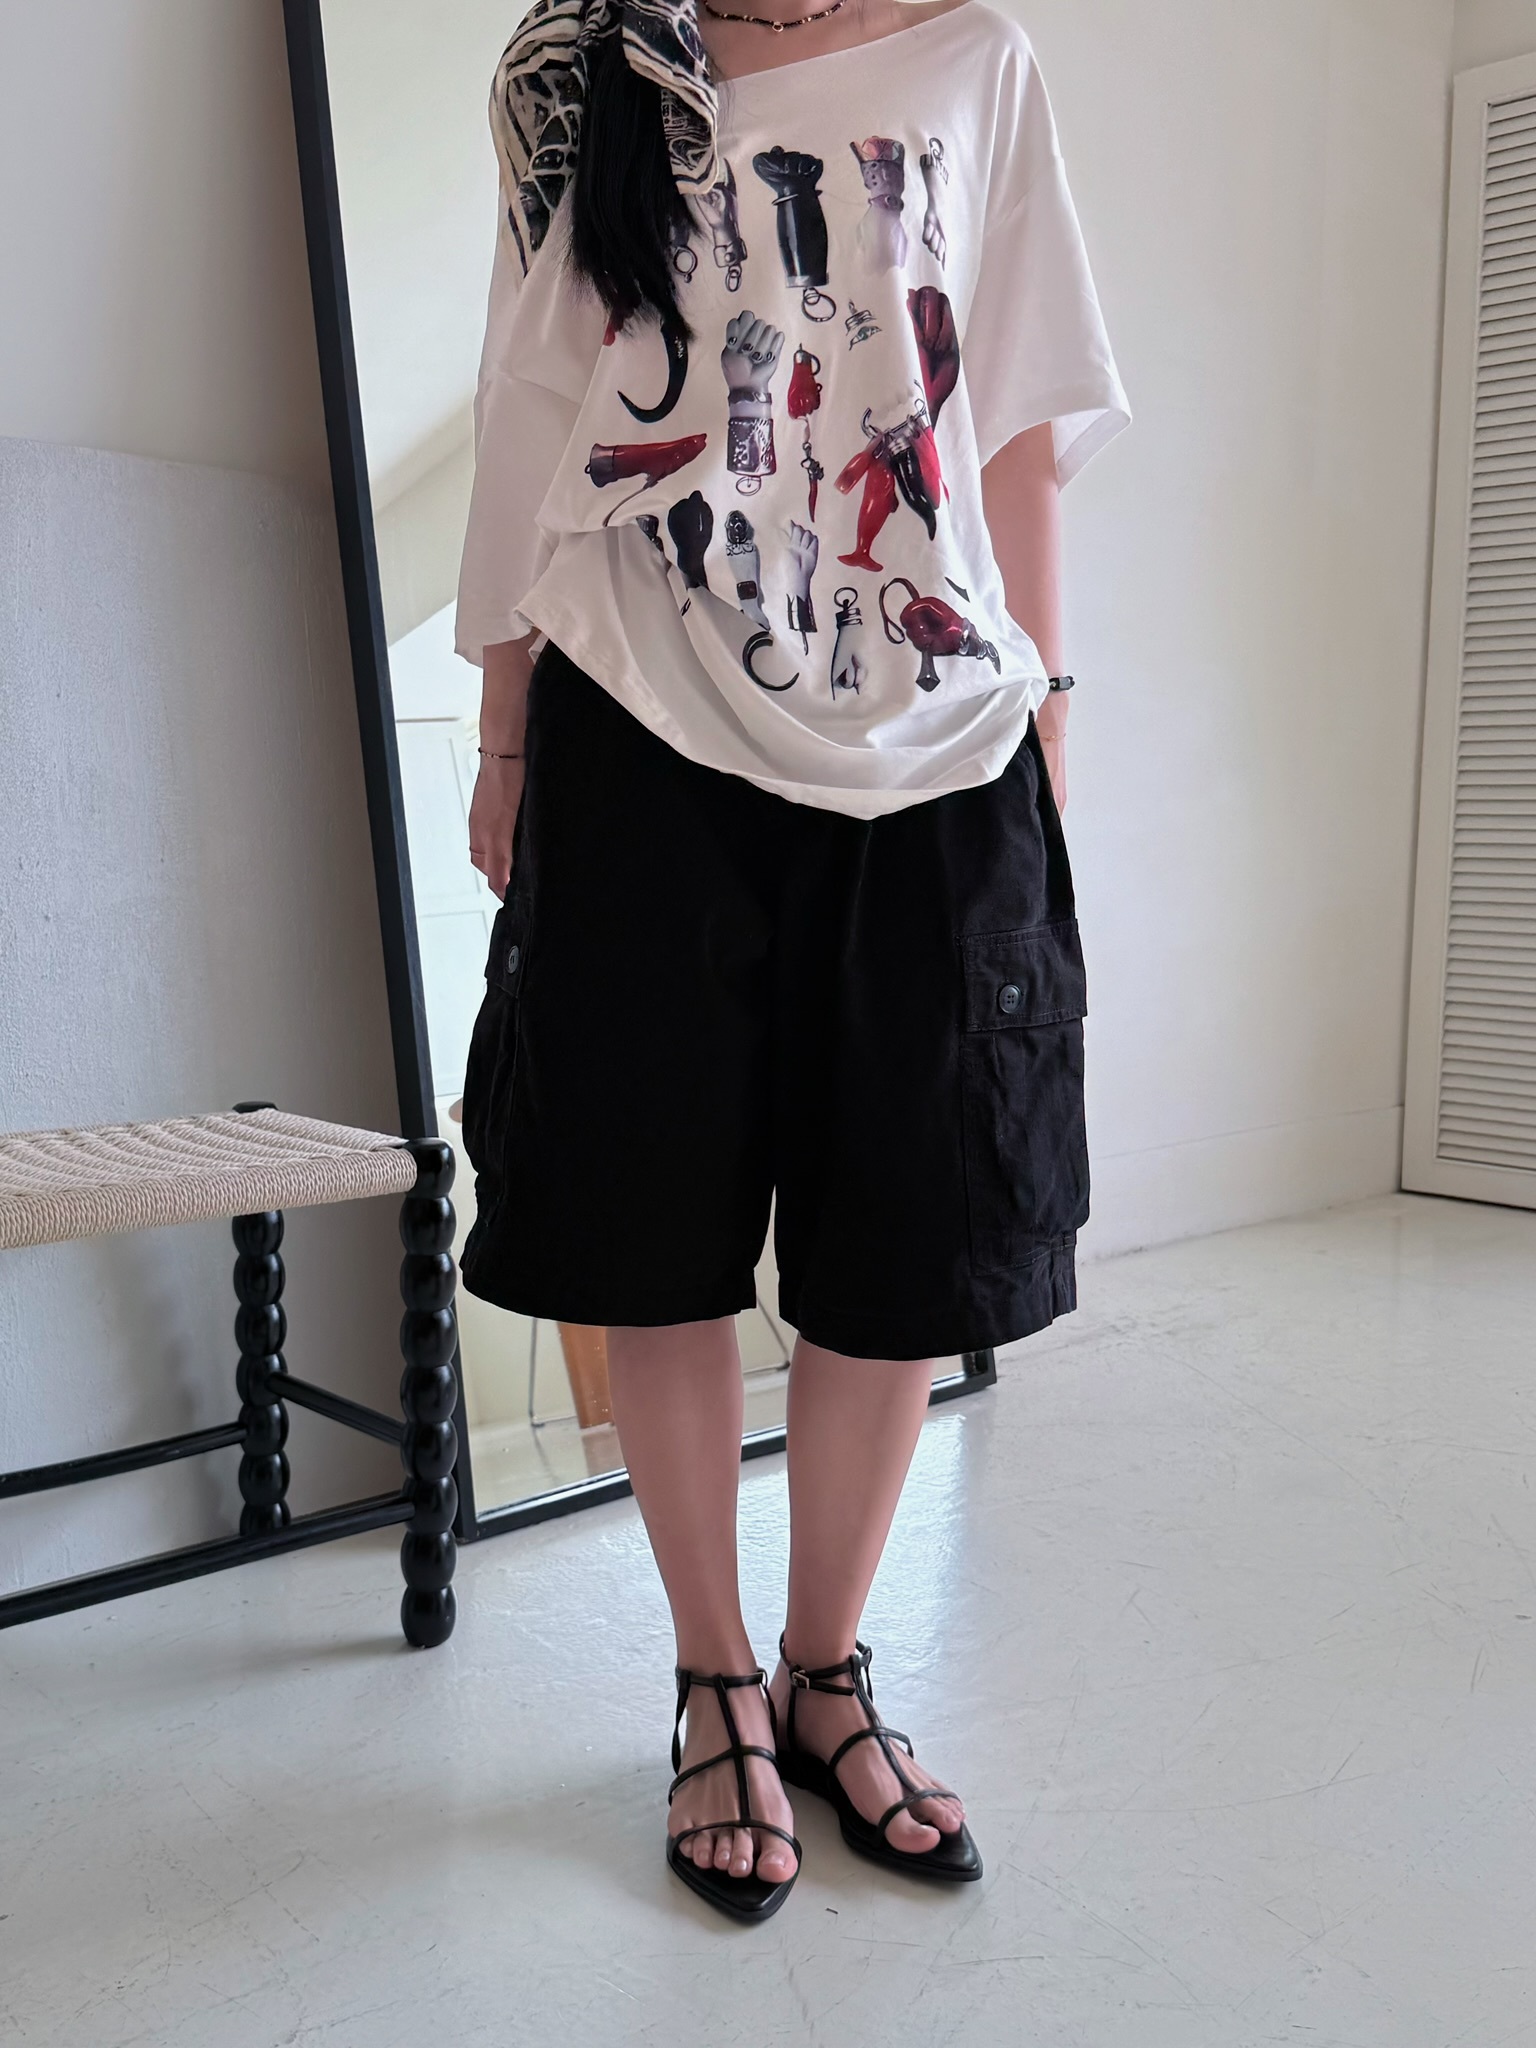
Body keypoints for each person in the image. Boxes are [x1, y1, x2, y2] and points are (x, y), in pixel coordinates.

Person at [455, 0, 1128, 1921]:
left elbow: (1020, 418)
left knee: (912, 1232)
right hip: (638, 711)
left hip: (937, 735)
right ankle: (716, 1684)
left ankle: (828, 1675)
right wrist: (504, 731)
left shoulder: (976, 56)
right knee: (645, 1221)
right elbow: (530, 407)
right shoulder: (590, 59)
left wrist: (1048, 721)